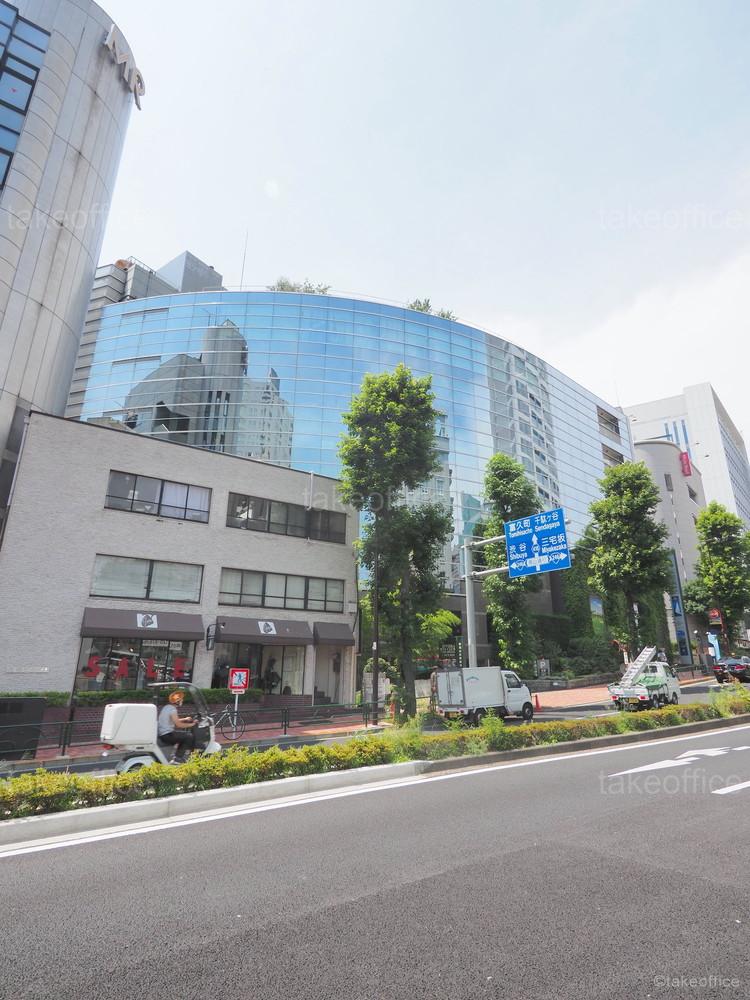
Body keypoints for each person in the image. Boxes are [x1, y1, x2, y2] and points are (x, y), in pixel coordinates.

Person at [157, 690, 197, 762]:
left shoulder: (166, 707)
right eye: (181, 699)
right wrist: (192, 724)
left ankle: (177, 755)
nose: (182, 701)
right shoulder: (173, 709)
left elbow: (173, 720)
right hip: (167, 735)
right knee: (189, 736)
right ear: (177, 701)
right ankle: (178, 758)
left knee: (183, 735)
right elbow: (178, 725)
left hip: (163, 734)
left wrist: (185, 719)